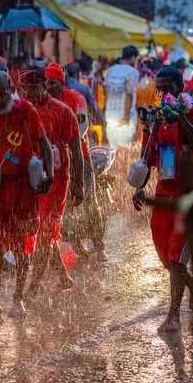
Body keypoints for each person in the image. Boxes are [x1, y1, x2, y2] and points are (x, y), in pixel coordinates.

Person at [132, 67, 193, 333]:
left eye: (169, 87)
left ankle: (173, 315)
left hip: (190, 196)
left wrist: (180, 117)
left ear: (180, 87)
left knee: (177, 257)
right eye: (160, 88)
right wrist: (139, 188)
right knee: (167, 259)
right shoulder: (155, 120)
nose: (164, 93)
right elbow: (146, 157)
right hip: (163, 195)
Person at [0, 71, 53, 319]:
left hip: (24, 189)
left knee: (24, 247)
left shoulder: (26, 111)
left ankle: (18, 298)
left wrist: (50, 174)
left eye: (1, 94)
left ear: (11, 91)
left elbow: (44, 144)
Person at [22, 67, 83, 301]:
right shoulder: (22, 111)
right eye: (24, 88)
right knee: (43, 232)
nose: (28, 92)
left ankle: (33, 288)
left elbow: (77, 151)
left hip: (57, 182)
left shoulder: (64, 111)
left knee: (44, 234)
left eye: (32, 87)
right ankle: (63, 278)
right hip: (32, 182)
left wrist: (79, 185)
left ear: (44, 87)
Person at [47, 64, 108, 262]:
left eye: (53, 83)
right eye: (46, 83)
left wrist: (70, 143)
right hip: (55, 159)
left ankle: (100, 245)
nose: (49, 87)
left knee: (90, 200)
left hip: (80, 155)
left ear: (62, 82)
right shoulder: (44, 102)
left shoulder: (76, 98)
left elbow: (82, 123)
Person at [104, 46, 140, 148]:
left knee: (113, 148)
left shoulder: (110, 70)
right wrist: (126, 116)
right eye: (136, 59)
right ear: (132, 57)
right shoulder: (132, 72)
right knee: (124, 149)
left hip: (110, 114)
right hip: (124, 115)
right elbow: (129, 94)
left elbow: (106, 91)